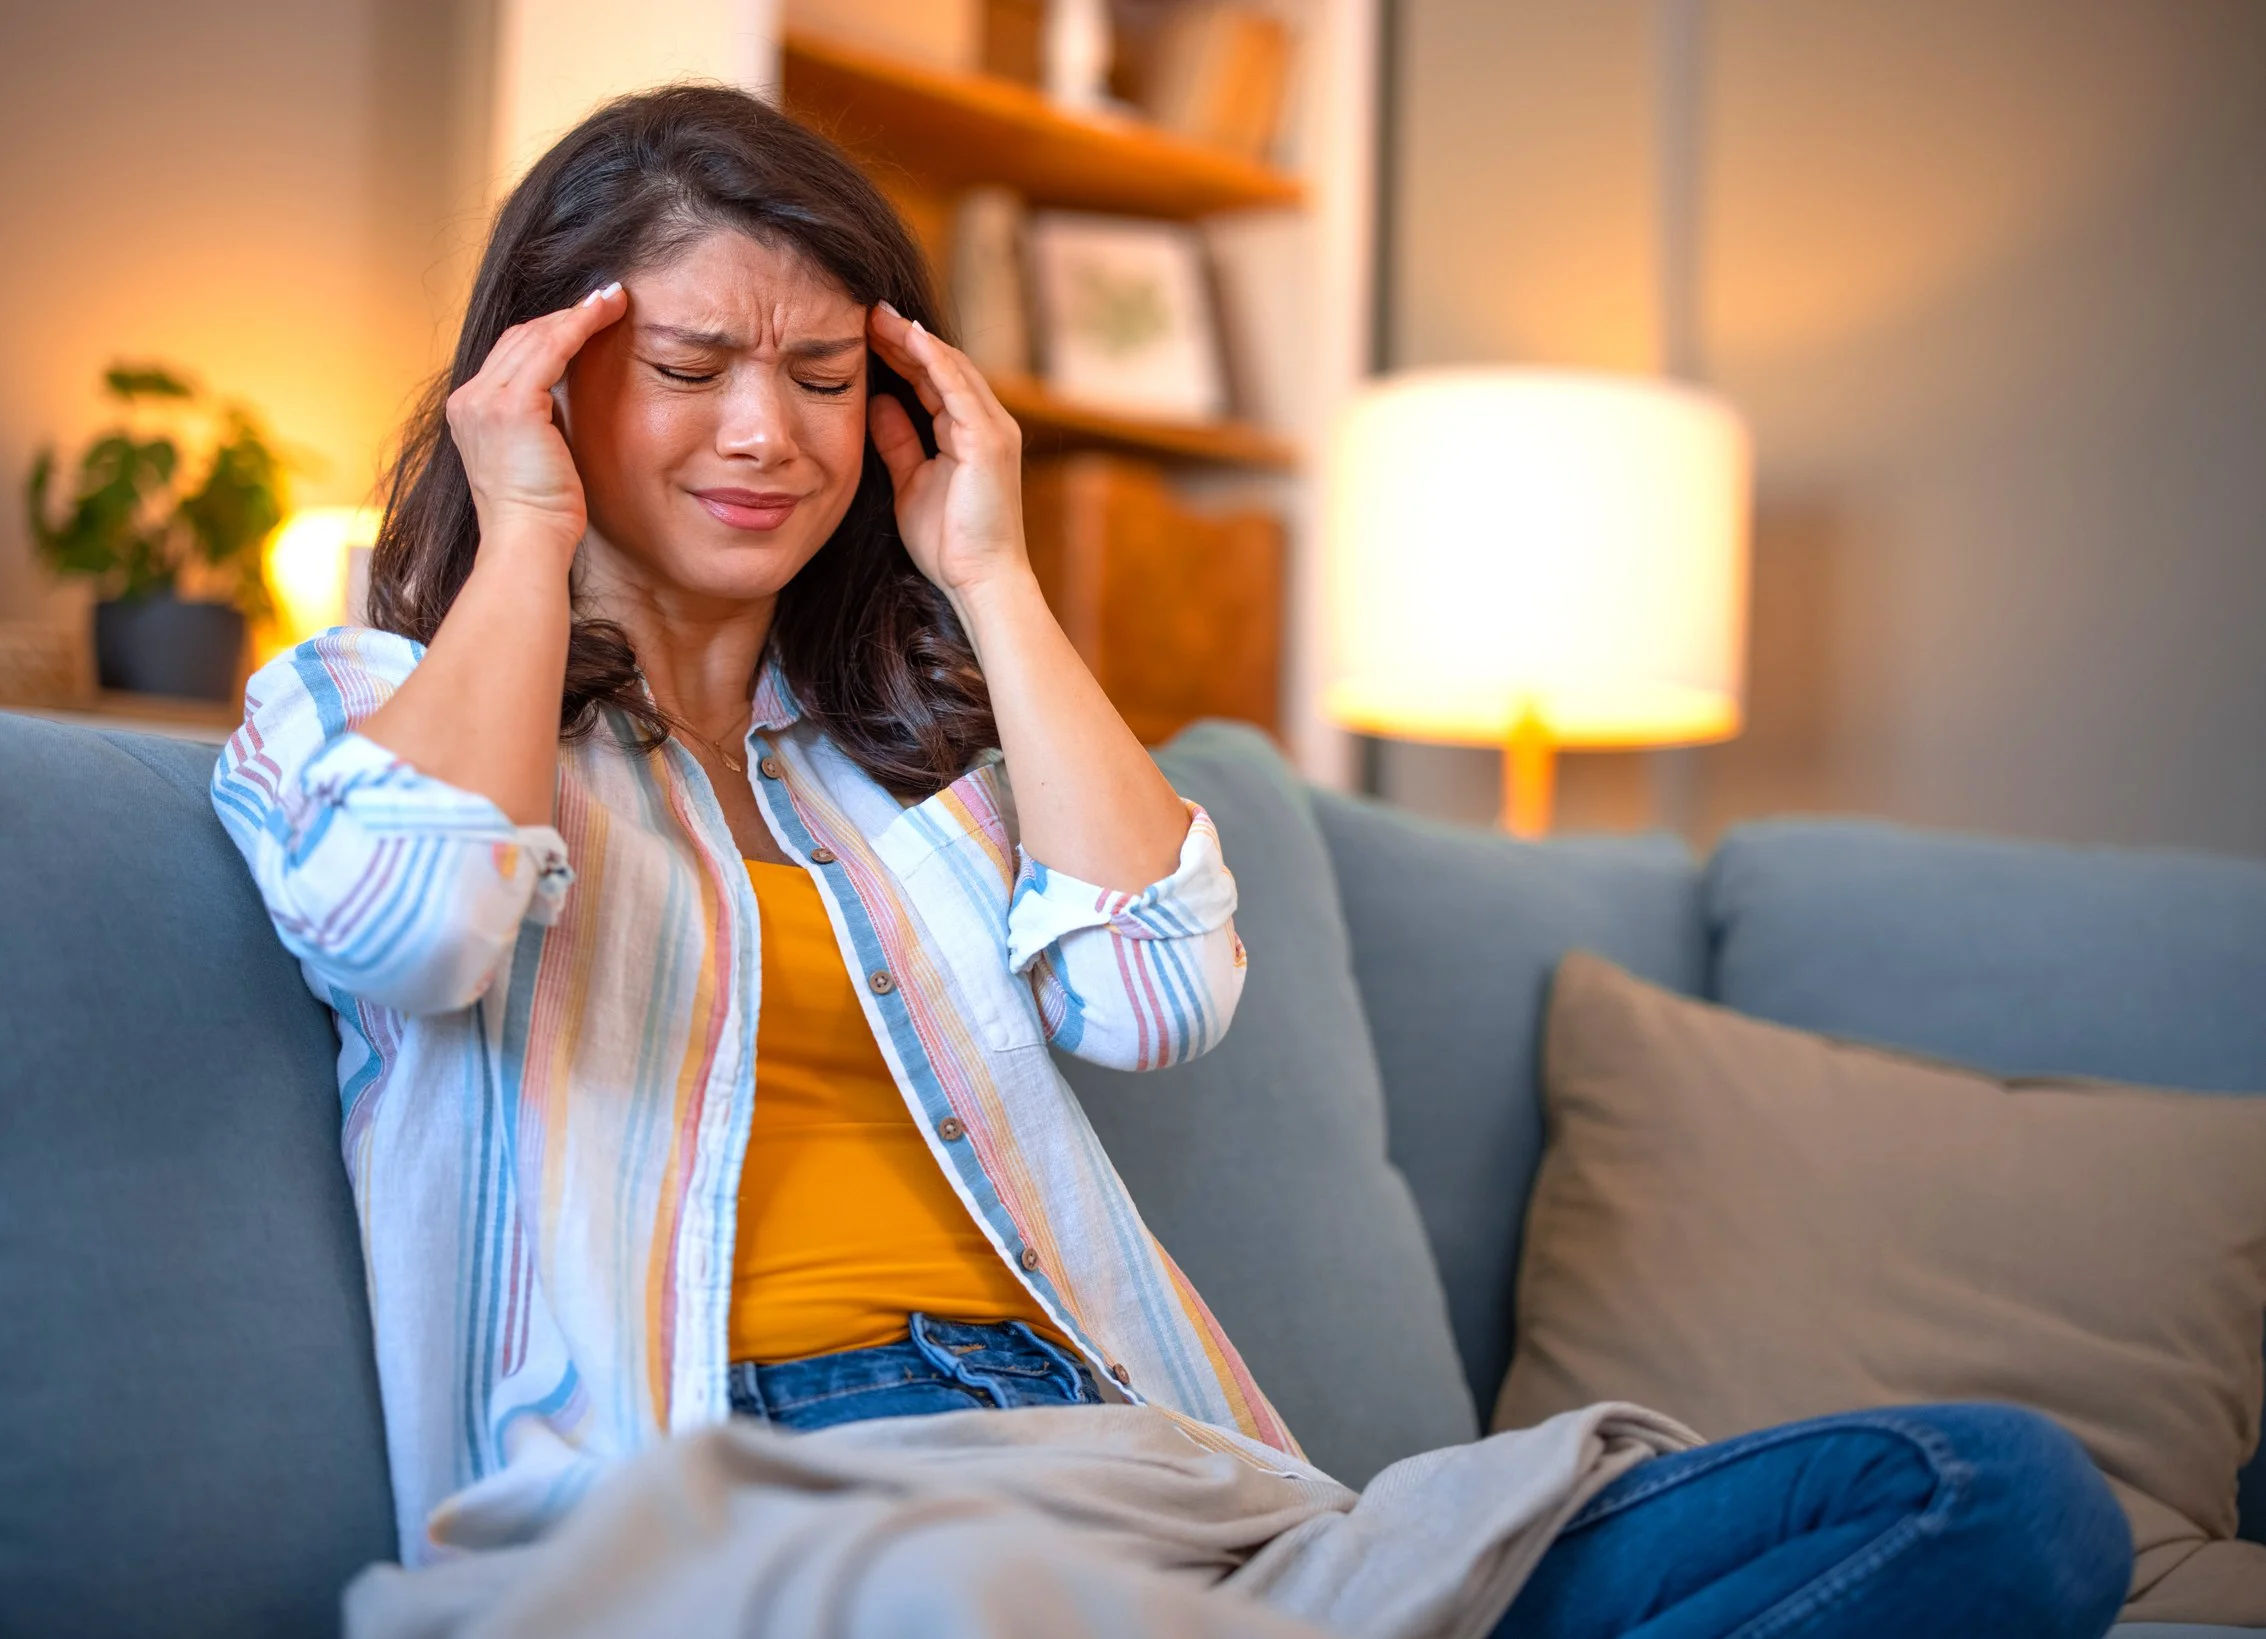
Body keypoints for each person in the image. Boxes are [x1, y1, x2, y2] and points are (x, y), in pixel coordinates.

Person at [214, 85, 2131, 1638]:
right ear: (544, 383)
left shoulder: (922, 770)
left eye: (820, 373)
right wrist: (527, 535)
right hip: (755, 1515)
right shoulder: (367, 709)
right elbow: (416, 916)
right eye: (694, 360)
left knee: (1986, 1498)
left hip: (1165, 1490)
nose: (764, 430)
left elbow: (1154, 994)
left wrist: (990, 568)